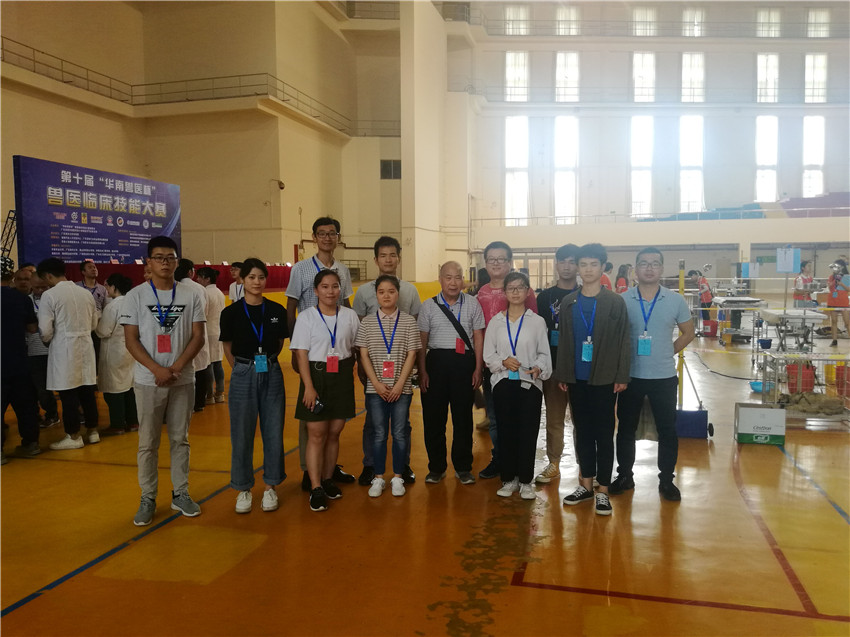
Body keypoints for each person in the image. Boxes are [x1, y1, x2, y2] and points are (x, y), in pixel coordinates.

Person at [121, 236, 206, 526]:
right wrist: (156, 369)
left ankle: (180, 493)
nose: (165, 262)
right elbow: (131, 340)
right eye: (159, 257)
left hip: (182, 379)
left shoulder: (191, 295)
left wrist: (177, 367)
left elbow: (198, 336)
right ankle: (147, 497)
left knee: (180, 439)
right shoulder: (135, 296)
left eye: (170, 257)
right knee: (148, 442)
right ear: (149, 262)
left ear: (177, 261)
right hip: (148, 380)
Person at [612, 247, 695, 502]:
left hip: (663, 377)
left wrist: (668, 351)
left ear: (661, 269)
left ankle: (666, 480)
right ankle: (625, 475)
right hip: (630, 376)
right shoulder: (622, 300)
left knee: (667, 430)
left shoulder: (675, 300)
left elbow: (688, 332)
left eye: (655, 263)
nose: (649, 268)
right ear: (635, 270)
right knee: (626, 429)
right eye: (644, 263)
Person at [554, 243, 631, 516]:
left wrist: (621, 375)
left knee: (604, 433)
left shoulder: (614, 302)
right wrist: (564, 373)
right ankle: (585, 485)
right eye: (583, 264)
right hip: (577, 379)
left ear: (602, 267)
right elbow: (565, 341)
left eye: (593, 265)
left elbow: (623, 340)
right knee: (582, 431)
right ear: (577, 268)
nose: (587, 270)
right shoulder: (569, 302)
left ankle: (603, 491)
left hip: (605, 378)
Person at [286, 216, 355, 491]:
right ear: (314, 237)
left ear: (338, 237)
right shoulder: (301, 269)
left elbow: (346, 303)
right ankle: (309, 470)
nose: (327, 237)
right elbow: (291, 306)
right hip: (311, 348)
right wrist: (295, 349)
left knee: (334, 421)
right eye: (322, 233)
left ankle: (328, 469)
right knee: (312, 417)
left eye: (332, 233)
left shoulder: (343, 270)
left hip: (336, 353)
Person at [219, 259, 288, 514]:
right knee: (241, 433)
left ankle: (271, 486)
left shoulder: (277, 310)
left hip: (271, 370)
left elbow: (279, 342)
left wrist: (266, 362)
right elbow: (227, 345)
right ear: (242, 280)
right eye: (251, 277)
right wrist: (240, 368)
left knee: (273, 430)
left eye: (261, 277)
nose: (256, 282)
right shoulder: (231, 313)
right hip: (243, 372)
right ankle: (243, 488)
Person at [352, 236, 421, 486]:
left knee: (403, 424)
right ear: (376, 259)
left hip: (401, 368)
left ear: (399, 258)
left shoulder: (410, 291)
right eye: (383, 255)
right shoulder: (363, 292)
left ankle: (403, 465)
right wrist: (363, 367)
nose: (388, 260)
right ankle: (370, 465)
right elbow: (359, 328)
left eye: (392, 255)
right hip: (374, 369)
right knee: (373, 421)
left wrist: (411, 372)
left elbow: (414, 327)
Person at [289, 269, 360, 512]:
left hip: (342, 376)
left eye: (335, 286)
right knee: (316, 434)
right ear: (316, 290)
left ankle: (328, 479)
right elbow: (301, 354)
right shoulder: (306, 317)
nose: (331, 291)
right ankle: (316, 486)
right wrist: (308, 387)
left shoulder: (350, 316)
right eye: (325, 287)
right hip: (316, 376)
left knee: (334, 432)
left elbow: (355, 347)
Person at [483, 272, 551, 500]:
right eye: (510, 288)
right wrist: (503, 361)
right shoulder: (496, 322)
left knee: (528, 432)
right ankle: (508, 479)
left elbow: (544, 354)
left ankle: (525, 481)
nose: (515, 292)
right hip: (503, 383)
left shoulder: (537, 321)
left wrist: (539, 367)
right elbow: (488, 354)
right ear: (504, 292)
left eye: (520, 287)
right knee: (506, 431)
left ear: (528, 291)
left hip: (530, 384)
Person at [418, 262, 484, 484]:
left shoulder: (473, 304)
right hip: (435, 364)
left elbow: (478, 337)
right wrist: (422, 371)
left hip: (464, 365)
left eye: (457, 277)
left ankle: (463, 467)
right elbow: (422, 341)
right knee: (433, 419)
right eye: (448, 277)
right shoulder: (428, 306)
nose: (453, 282)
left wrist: (478, 368)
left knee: (463, 418)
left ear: (463, 280)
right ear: (440, 279)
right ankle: (436, 468)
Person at [475, 241, 537, 480]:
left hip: (520, 366)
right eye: (491, 259)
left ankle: (520, 463)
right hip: (492, 366)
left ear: (510, 262)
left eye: (501, 259)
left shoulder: (523, 291)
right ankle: (500, 460)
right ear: (485, 263)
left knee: (520, 417)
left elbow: (533, 326)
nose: (496, 263)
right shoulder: (480, 294)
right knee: (495, 417)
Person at [36, 258, 100, 450]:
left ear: (48, 276)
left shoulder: (49, 295)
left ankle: (73, 436)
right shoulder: (85, 293)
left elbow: (45, 329)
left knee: (68, 393)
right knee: (87, 391)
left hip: (64, 347)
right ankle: (93, 431)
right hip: (86, 345)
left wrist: (48, 339)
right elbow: (94, 323)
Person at [533, 244, 580, 484]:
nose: (567, 266)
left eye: (572, 261)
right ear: (556, 264)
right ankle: (554, 463)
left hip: (580, 369)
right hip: (552, 367)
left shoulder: (587, 294)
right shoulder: (545, 297)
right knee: (554, 419)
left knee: (582, 419)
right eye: (562, 261)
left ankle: (586, 466)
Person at [2, 261, 41, 462]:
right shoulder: (22, 299)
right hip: (19, 360)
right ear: (11, 276)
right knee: (26, 405)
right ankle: (31, 444)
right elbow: (33, 329)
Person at [96, 274, 138, 435]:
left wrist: (96, 322)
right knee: (129, 386)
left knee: (114, 389)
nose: (106, 289)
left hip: (114, 350)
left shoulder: (112, 306)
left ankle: (118, 424)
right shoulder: (134, 303)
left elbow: (103, 331)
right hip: (131, 349)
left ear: (114, 287)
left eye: (107, 286)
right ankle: (133, 421)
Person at [175, 259, 211, 412]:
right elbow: (205, 311)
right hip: (199, 328)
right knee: (201, 368)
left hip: (181, 333)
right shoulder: (200, 288)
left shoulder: (174, 287)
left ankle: (183, 404)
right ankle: (199, 403)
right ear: (190, 272)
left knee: (184, 368)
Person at [26, 274, 61, 428]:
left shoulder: (54, 298)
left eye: (44, 287)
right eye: (37, 287)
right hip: (34, 351)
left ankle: (75, 413)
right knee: (41, 388)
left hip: (55, 349)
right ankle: (51, 413)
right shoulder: (26, 301)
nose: (40, 290)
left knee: (63, 386)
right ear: (31, 285)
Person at [196, 267, 227, 403]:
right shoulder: (219, 292)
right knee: (217, 363)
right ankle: (220, 392)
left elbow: (204, 313)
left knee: (208, 364)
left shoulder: (206, 293)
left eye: (199, 277)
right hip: (218, 330)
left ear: (207, 279)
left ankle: (209, 395)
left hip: (208, 332)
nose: (197, 280)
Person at [827, 259, 850, 347]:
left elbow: (849, 289)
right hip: (833, 301)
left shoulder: (847, 277)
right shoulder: (831, 277)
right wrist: (834, 281)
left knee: (847, 322)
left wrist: (841, 284)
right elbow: (829, 287)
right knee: (834, 321)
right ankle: (834, 340)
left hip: (843, 302)